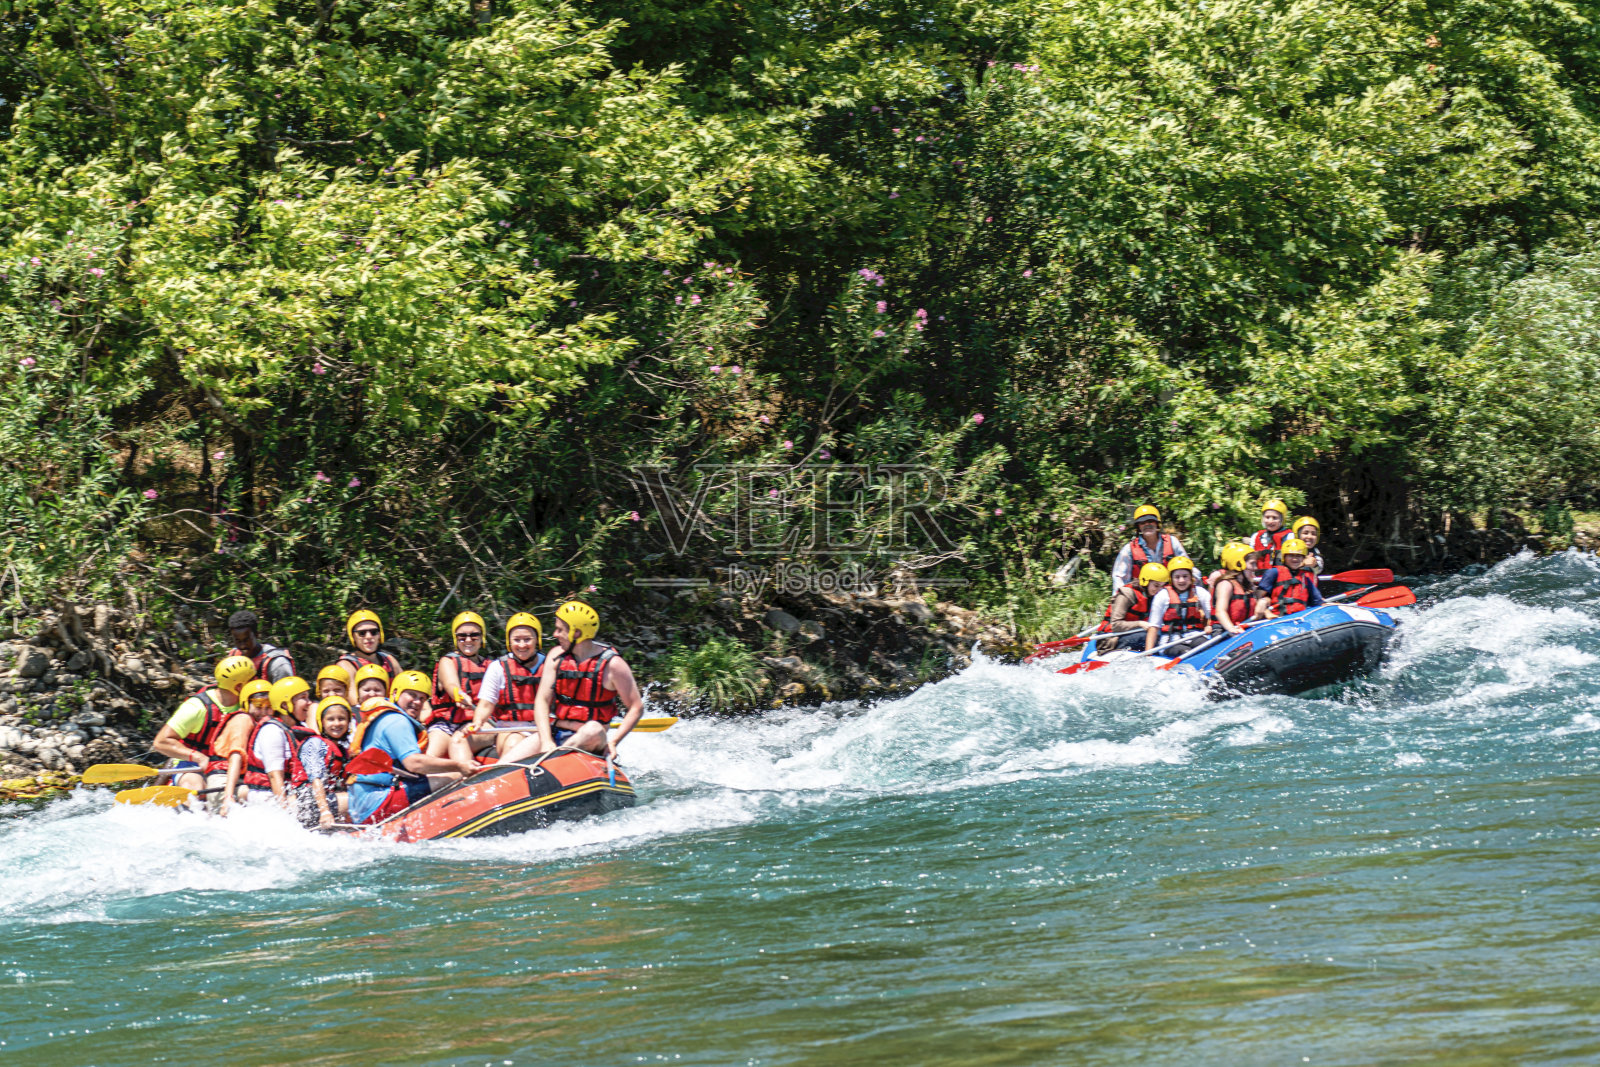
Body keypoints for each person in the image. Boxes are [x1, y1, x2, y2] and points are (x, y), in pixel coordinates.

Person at [497, 601, 644, 763]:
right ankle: (547, 757)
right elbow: (542, 701)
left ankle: (552, 759)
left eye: (560, 630)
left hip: (591, 739)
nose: (555, 634)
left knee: (593, 728)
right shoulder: (555, 656)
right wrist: (546, 740)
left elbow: (636, 707)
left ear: (576, 633)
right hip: (556, 733)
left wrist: (614, 742)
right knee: (503, 766)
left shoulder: (613, 665)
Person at [347, 697, 477, 826]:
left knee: (435, 777)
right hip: (378, 804)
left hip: (361, 807)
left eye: (421, 698)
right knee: (457, 776)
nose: (417, 701)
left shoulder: (382, 718)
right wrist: (459, 766)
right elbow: (414, 763)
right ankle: (465, 816)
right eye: (411, 694)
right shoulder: (397, 721)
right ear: (396, 694)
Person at [150, 654, 254, 794]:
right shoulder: (197, 707)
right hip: (192, 765)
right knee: (194, 787)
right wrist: (199, 757)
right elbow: (161, 742)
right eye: (251, 681)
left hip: (225, 766)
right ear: (239, 687)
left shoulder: (250, 706)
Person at [452, 613, 545, 766]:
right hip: (508, 728)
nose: (522, 645)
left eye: (527, 639)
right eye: (516, 640)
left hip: (540, 728)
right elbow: (486, 704)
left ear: (537, 640)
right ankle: (467, 778)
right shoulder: (498, 667)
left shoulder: (549, 664)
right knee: (459, 738)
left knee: (514, 743)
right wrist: (477, 722)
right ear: (509, 641)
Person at [426, 611, 489, 758]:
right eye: (462, 636)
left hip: (477, 723)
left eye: (474, 635)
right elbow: (451, 684)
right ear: (456, 638)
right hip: (446, 725)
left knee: (459, 741)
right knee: (430, 756)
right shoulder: (447, 662)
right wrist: (458, 694)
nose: (468, 640)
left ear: (481, 637)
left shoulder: (491, 666)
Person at [299, 695, 352, 827]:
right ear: (321, 722)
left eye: (341, 719)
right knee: (359, 799)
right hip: (305, 802)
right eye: (330, 719)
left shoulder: (342, 749)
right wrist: (325, 811)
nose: (336, 723)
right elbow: (315, 779)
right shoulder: (315, 744)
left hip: (322, 800)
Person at [1095, 563, 1169, 653]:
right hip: (1109, 639)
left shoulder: (1155, 597)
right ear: (1145, 581)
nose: (1159, 590)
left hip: (1131, 635)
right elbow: (1115, 625)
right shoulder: (1127, 594)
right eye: (1156, 585)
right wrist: (1139, 623)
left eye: (1162, 586)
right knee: (1147, 637)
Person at [1110, 505, 1186, 591]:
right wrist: (1120, 596)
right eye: (1142, 523)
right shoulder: (1129, 549)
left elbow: (1187, 567)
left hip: (1170, 592)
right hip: (1142, 594)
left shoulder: (1172, 542)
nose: (1147, 525)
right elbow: (1119, 577)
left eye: (1150, 521)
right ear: (1138, 527)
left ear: (1157, 523)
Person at [1146, 556, 1212, 655]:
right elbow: (1154, 627)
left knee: (1206, 647)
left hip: (1195, 636)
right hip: (1171, 641)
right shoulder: (1162, 596)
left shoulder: (1200, 592)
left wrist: (1208, 625)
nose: (1181, 580)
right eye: (1177, 577)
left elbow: (1211, 614)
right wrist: (1148, 653)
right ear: (1171, 579)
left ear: (1191, 577)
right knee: (1186, 652)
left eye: (1185, 576)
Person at [338, 610, 402, 705]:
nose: (368, 636)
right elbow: (355, 702)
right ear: (353, 637)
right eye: (362, 633)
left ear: (379, 635)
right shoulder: (346, 665)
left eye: (373, 632)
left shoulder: (390, 661)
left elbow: (408, 690)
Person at [1254, 537, 1324, 619]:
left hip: (1300, 618)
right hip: (1278, 618)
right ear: (1284, 557)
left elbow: (1318, 602)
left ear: (1303, 558)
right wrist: (1267, 612)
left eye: (1298, 556)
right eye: (1291, 555)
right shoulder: (1273, 572)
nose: (1295, 559)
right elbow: (1258, 596)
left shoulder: (1306, 577)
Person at [225, 609, 297, 684]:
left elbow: (286, 694)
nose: (242, 646)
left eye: (246, 640)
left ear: (257, 634)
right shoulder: (233, 657)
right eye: (238, 641)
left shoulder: (278, 664)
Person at [1209, 541, 1256, 634]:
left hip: (1244, 628)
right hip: (1224, 631)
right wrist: (1231, 629)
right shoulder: (1226, 584)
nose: (1256, 568)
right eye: (1252, 564)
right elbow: (1220, 611)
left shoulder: (1247, 585)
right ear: (1239, 564)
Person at [1251, 499, 1292, 568]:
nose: (1270, 521)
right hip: (1259, 575)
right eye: (1267, 517)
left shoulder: (1289, 536)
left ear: (1282, 520)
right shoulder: (1256, 536)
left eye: (1275, 518)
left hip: (1279, 575)